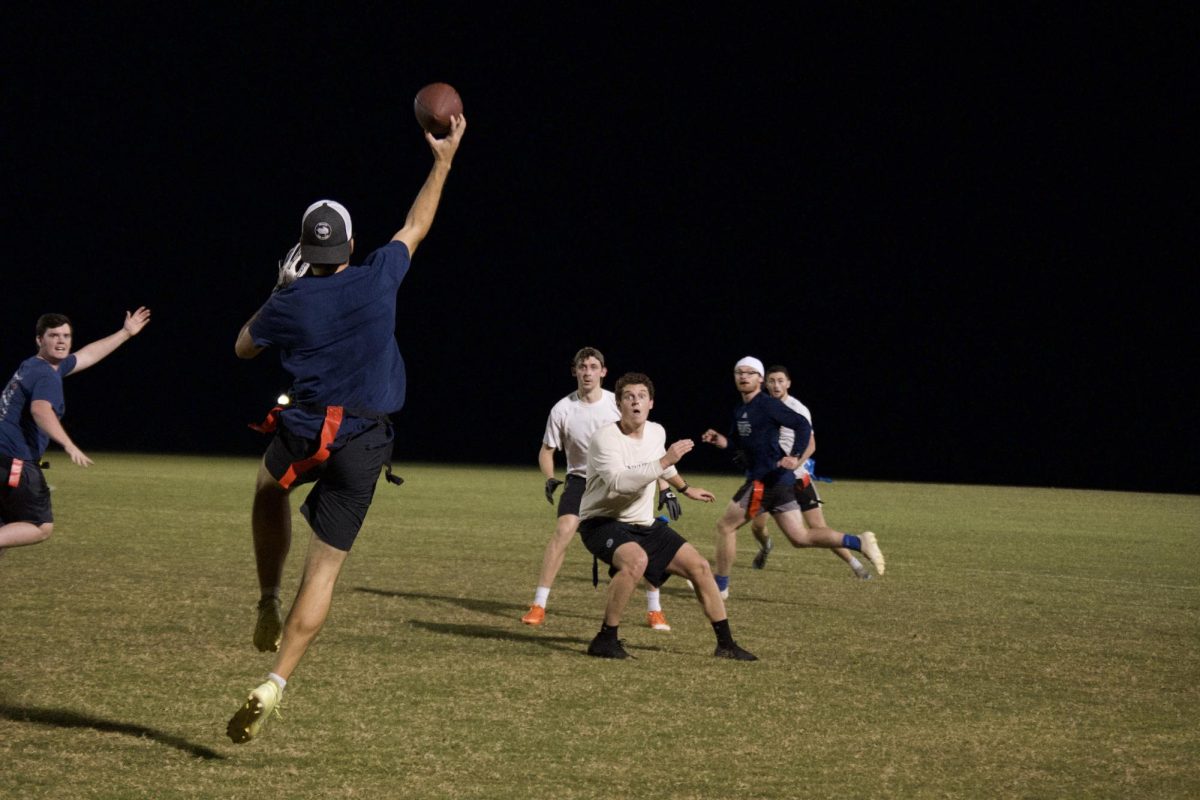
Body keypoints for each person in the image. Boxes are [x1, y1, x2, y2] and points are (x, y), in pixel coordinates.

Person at [226, 112, 466, 744]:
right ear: (351, 248)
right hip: (364, 440)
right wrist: (442, 160)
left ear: (305, 250)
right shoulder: (377, 279)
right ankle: (276, 680)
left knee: (266, 489)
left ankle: (266, 597)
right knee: (326, 569)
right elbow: (417, 223)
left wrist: (278, 288)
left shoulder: (287, 301)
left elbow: (243, 348)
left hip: (305, 431)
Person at [578, 372, 756, 660]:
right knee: (636, 561)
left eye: (641, 396)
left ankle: (726, 645)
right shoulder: (604, 439)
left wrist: (685, 488)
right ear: (619, 405)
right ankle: (605, 639)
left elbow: (661, 466)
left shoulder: (657, 432)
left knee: (699, 566)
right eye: (628, 397)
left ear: (651, 403)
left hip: (643, 523)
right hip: (601, 522)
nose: (635, 401)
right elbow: (620, 483)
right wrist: (665, 460)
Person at [701, 356, 885, 597]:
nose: (743, 376)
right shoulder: (741, 409)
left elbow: (802, 426)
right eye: (739, 372)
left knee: (726, 526)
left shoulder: (767, 405)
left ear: (759, 379)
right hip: (779, 482)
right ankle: (858, 542)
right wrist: (721, 441)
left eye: (749, 373)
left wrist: (795, 456)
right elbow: (737, 443)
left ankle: (720, 587)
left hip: (766, 481)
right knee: (800, 537)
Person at [522, 347, 675, 631]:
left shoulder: (616, 403)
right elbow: (547, 450)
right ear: (575, 371)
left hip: (624, 478)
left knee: (644, 536)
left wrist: (666, 487)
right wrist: (550, 477)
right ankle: (539, 604)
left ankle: (655, 609)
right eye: (583, 367)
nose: (588, 372)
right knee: (563, 530)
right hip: (581, 480)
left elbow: (649, 448)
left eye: (594, 366)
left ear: (603, 371)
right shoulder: (562, 409)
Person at [0, 308, 152, 558]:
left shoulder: (33, 364)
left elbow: (87, 355)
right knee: (39, 527)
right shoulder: (46, 375)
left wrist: (125, 333)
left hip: (3, 459)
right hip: (16, 462)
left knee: (8, 528)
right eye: (54, 336)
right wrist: (68, 445)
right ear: (40, 340)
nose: (61, 341)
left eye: (66, 336)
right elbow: (40, 410)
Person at [748, 365, 872, 579]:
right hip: (768, 480)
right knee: (758, 526)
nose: (776, 385)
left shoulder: (797, 408)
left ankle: (856, 565)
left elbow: (811, 444)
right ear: (765, 383)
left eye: (780, 381)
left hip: (796, 479)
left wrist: (795, 463)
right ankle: (766, 546)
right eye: (772, 381)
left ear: (788, 383)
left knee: (818, 528)